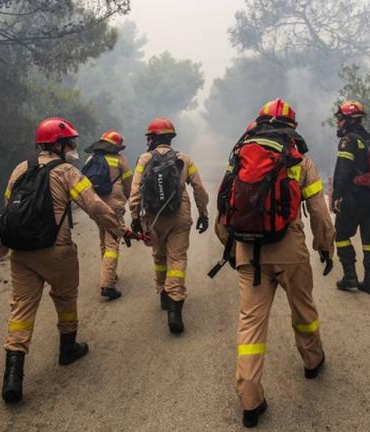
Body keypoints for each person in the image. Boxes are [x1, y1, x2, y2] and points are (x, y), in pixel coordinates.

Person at [0, 117, 132, 404]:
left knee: (21, 309)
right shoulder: (67, 172)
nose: (74, 146)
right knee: (65, 298)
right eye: (70, 142)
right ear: (59, 145)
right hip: (56, 249)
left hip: (22, 252)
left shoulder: (19, 169)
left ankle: (13, 376)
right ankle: (68, 349)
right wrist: (122, 229)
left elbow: (8, 206)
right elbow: (95, 208)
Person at [214, 99, 335, 428]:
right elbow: (320, 213)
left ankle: (250, 399)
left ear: (260, 121)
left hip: (247, 251)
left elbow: (224, 203)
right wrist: (325, 246)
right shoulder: (299, 159)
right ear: (292, 128)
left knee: (251, 324)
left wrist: (230, 244)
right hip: (289, 249)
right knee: (303, 309)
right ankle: (312, 361)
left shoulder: (241, 152)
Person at [129, 117, 209, 334]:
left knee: (159, 256)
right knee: (178, 258)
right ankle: (175, 305)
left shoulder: (144, 160)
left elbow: (135, 192)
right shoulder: (185, 159)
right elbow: (199, 189)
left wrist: (135, 217)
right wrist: (203, 212)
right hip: (179, 215)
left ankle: (163, 292)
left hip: (153, 217)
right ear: (170, 138)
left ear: (153, 139)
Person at [332, 100, 370, 295]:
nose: (338, 123)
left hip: (354, 198)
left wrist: (337, 197)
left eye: (340, 119)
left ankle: (350, 276)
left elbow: (343, 172)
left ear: (349, 120)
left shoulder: (349, 141)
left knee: (342, 235)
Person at [82, 130, 133, 300]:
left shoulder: (91, 159)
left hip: (96, 206)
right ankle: (107, 284)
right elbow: (128, 185)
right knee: (112, 243)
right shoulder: (120, 160)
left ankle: (109, 273)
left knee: (103, 240)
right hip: (114, 207)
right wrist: (129, 201)